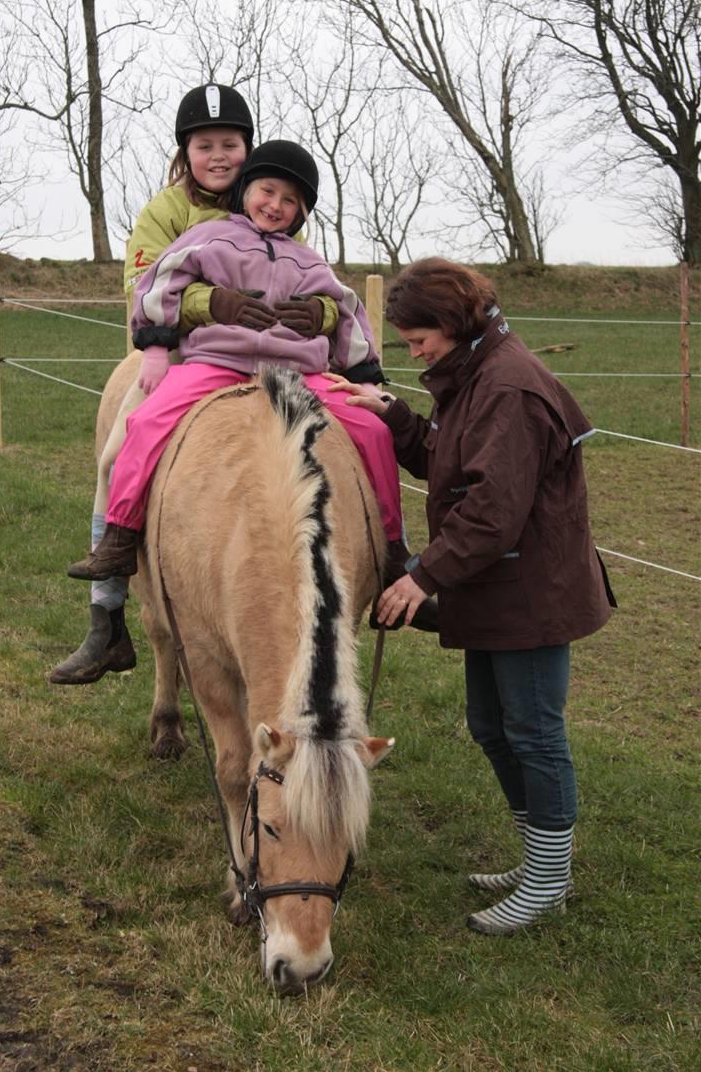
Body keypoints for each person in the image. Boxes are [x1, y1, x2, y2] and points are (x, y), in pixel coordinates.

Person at [326, 258, 615, 935]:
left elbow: (492, 510)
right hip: (497, 586)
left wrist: (422, 576)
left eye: (418, 335)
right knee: (493, 726)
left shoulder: (508, 387)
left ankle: (548, 881)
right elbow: (455, 465)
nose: (413, 348)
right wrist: (395, 416)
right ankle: (542, 860)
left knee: (535, 733)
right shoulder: (476, 373)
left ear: (453, 321)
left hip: (531, 591)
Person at [65, 141, 438, 634]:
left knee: (373, 430)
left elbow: (345, 308)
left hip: (298, 371)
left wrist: (359, 369)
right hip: (220, 359)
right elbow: (161, 281)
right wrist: (159, 338)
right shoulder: (212, 238)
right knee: (146, 421)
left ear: (301, 212)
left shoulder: (306, 259)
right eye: (267, 191)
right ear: (246, 191)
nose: (275, 205)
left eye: (290, 201)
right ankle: (120, 533)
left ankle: (391, 549)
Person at [50, 84, 342, 686]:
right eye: (204, 144)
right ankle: (107, 614)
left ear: (246, 147)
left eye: (229, 144)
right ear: (187, 151)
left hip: (270, 358)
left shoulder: (272, 201)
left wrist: (319, 314)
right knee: (116, 454)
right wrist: (216, 304)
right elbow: (148, 285)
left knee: (347, 437)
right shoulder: (165, 211)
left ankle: (374, 553)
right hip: (181, 353)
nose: (218, 156)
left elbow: (310, 279)